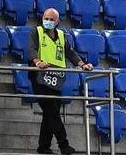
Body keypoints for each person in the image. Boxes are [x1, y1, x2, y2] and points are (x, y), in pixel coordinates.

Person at [28, 8, 94, 154]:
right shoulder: (36, 32)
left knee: (50, 112)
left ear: (57, 21)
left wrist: (82, 64)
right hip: (40, 77)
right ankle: (64, 145)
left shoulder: (61, 35)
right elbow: (32, 50)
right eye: (46, 18)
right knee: (52, 110)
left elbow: (70, 52)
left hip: (56, 78)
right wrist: (38, 62)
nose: (48, 22)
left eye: (52, 19)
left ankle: (43, 146)